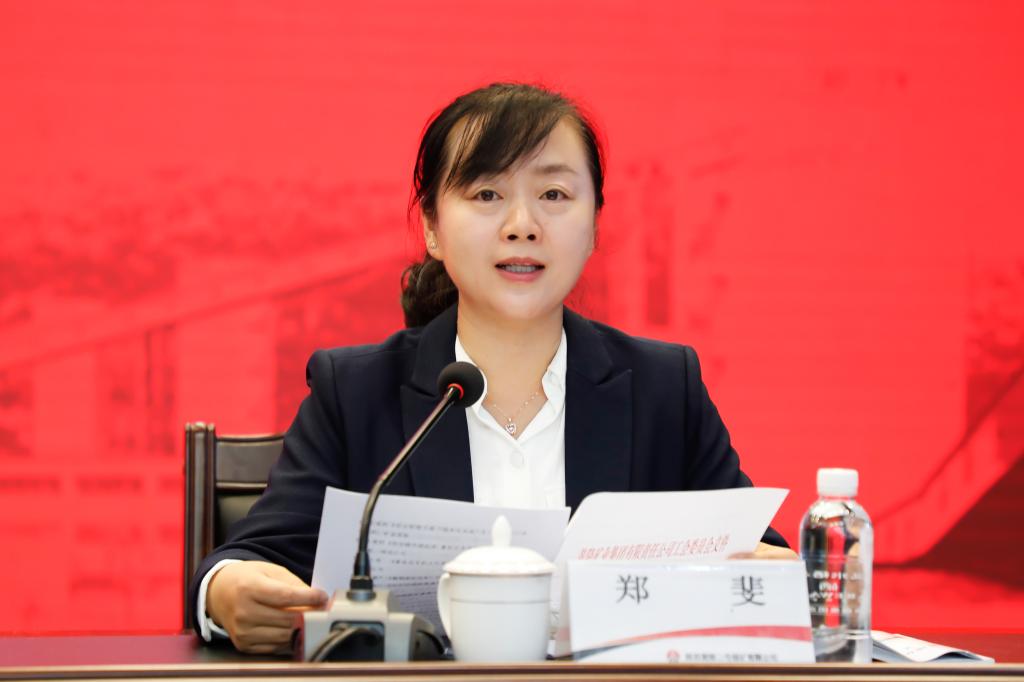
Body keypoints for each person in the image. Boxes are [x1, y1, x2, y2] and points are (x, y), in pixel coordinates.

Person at [191, 83, 796, 654]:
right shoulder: (355, 392)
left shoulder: (664, 389)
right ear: (432, 227)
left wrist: (772, 575)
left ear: (594, 226)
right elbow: (249, 560)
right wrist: (229, 592)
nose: (522, 225)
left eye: (554, 195)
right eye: (487, 195)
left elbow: (760, 561)